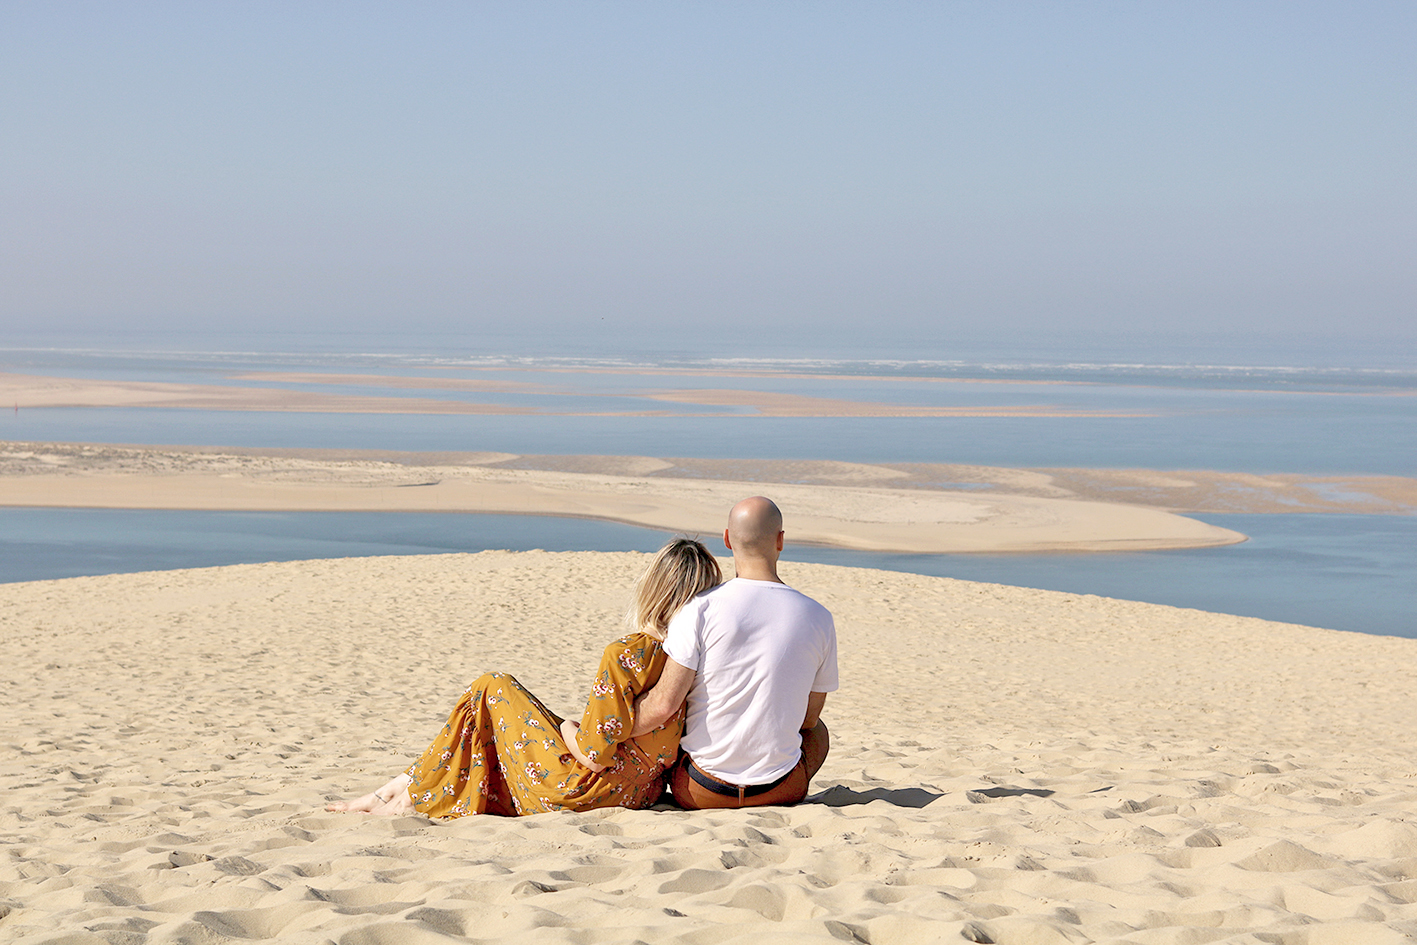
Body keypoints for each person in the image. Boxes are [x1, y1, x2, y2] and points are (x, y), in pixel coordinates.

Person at [326, 538, 721, 817]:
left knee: (491, 687)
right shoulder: (702, 657)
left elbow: (593, 754)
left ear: (654, 589)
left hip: (586, 791)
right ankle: (404, 786)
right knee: (502, 716)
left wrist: (567, 726)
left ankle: (404, 792)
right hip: (641, 793)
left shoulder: (628, 655)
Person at [632, 496, 837, 809]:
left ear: (727, 539)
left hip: (701, 791)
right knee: (819, 733)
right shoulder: (819, 616)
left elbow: (664, 705)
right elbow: (808, 720)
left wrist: (609, 729)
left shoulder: (698, 609)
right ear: (780, 541)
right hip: (780, 790)